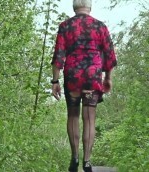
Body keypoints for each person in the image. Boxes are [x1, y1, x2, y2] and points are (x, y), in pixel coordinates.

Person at [51, 0, 117, 171]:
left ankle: (74, 159)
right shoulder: (100, 26)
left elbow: (58, 56)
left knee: (73, 116)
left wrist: (55, 81)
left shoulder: (65, 26)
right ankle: (87, 161)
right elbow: (110, 55)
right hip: (93, 76)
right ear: (90, 6)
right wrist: (108, 78)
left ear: (74, 7)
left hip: (73, 75)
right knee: (89, 119)